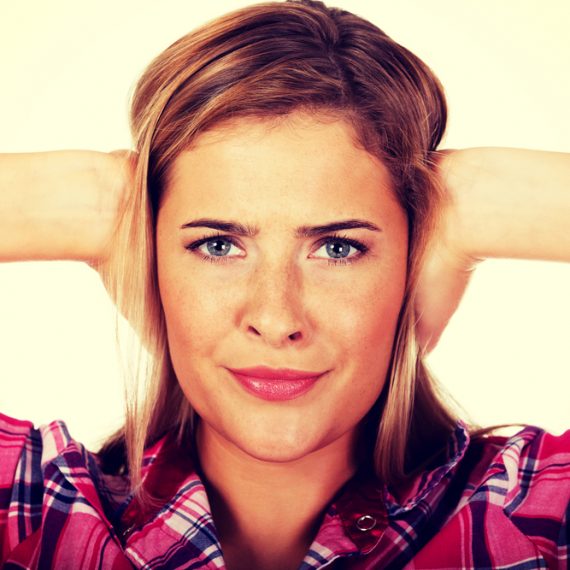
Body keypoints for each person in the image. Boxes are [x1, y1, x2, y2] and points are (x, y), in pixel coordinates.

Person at [0, 1, 569, 568]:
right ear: (149, 257)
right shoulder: (32, 511)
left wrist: (473, 199)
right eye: (217, 245)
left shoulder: (531, 516)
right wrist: (97, 200)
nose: (276, 319)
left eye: (338, 247)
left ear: (414, 261)